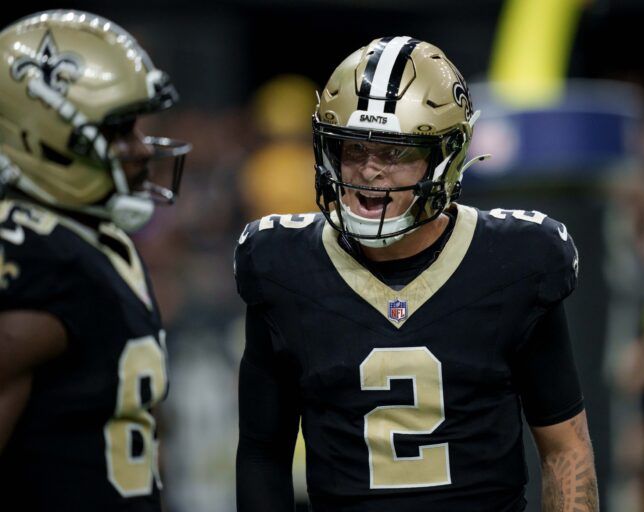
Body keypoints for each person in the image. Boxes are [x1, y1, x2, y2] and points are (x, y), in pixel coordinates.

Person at [235, 36, 597, 512]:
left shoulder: (516, 261)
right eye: (353, 147)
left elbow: (565, 450)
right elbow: (264, 453)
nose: (369, 171)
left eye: (395, 152)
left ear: (444, 156)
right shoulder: (282, 267)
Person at [0, 10, 191, 511]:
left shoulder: (90, 237)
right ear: (42, 135)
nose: (142, 148)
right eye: (120, 130)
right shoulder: (36, 256)